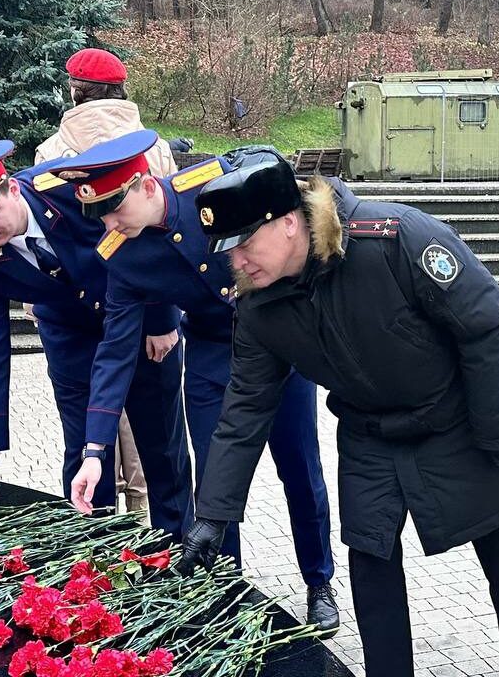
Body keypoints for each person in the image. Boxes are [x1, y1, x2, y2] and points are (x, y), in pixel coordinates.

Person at [179, 160, 499, 677]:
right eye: (227, 251)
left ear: (289, 220)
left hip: (457, 419)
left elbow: (486, 325)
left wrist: (498, 431)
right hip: (369, 433)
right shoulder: (260, 307)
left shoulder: (393, 239)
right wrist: (211, 515)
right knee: (370, 556)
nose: (238, 261)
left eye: (245, 243)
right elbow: (245, 407)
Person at [44, 131, 338, 633]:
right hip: (212, 360)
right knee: (216, 482)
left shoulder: (213, 187)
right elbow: (114, 352)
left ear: (143, 185)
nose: (109, 225)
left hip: (278, 347)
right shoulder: (123, 253)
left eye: (114, 211)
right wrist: (95, 449)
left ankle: (318, 582)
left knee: (301, 470)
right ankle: (230, 590)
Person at [0, 141, 194, 541]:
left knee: (162, 449)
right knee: (82, 451)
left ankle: (180, 554)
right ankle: (97, 559)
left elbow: (146, 230)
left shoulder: (69, 188)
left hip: (141, 323)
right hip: (70, 339)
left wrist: (163, 317)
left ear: (11, 189)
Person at [35, 46, 183, 516]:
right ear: (121, 90)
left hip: (75, 316)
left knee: (83, 442)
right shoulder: (152, 146)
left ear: (75, 92)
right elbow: (168, 235)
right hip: (143, 311)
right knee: (160, 446)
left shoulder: (52, 151)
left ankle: (90, 557)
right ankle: (166, 545)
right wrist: (163, 318)